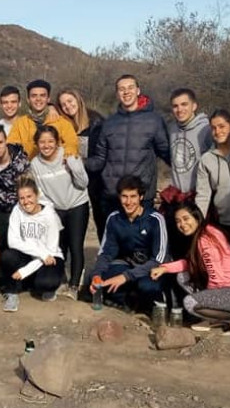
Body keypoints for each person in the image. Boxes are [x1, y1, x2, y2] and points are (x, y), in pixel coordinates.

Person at [150, 204, 230, 335]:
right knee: (182, 276)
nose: (182, 224)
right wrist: (165, 268)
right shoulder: (206, 231)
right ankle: (219, 317)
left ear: (196, 217)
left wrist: (208, 300)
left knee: (190, 303)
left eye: (186, 219)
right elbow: (191, 263)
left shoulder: (205, 240)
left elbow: (217, 277)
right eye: (178, 221)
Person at [86, 74, 170, 217]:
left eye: (130, 87)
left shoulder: (154, 121)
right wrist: (77, 162)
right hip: (113, 196)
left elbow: (167, 153)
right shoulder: (109, 123)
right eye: (122, 89)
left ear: (138, 90)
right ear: (117, 94)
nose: (126, 92)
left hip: (141, 196)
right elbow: (99, 159)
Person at [86, 176, 168, 314]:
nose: (128, 202)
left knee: (147, 287)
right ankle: (126, 301)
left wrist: (125, 277)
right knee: (95, 280)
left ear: (141, 197)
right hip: (126, 265)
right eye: (124, 196)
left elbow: (158, 259)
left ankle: (145, 304)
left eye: (133, 196)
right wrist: (97, 274)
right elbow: (106, 252)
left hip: (148, 269)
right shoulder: (114, 218)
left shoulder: (155, 219)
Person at [29, 125, 89, 298]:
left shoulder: (67, 155)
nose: (46, 145)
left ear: (57, 142)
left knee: (75, 245)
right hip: (56, 209)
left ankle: (75, 285)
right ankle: (61, 280)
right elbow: (40, 193)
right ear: (37, 144)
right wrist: (52, 214)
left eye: (50, 141)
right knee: (59, 246)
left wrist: (73, 165)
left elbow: (83, 182)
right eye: (42, 142)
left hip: (77, 204)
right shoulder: (35, 164)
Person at [0, 177, 64, 312]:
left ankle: (36, 281)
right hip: (30, 255)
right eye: (21, 198)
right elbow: (13, 241)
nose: (26, 201)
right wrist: (39, 253)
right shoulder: (17, 211)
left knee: (45, 284)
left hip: (49, 257)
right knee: (7, 256)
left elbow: (50, 252)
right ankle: (12, 291)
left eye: (29, 196)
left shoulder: (49, 215)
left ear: (37, 195)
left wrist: (24, 271)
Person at [0, 124, 31, 297]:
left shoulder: (21, 161)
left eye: (0, 142)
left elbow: (27, 191)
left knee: (15, 247)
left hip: (19, 210)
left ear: (6, 141)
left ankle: (21, 278)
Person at [57, 88, 106, 241]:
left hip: (97, 180)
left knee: (102, 220)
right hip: (73, 180)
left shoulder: (97, 122)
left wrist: (78, 163)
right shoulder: (63, 125)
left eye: (70, 101)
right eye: (63, 104)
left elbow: (101, 158)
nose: (68, 106)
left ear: (78, 100)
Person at [194, 110, 230, 252]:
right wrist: (198, 225)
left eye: (222, 126)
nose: (217, 131)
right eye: (213, 128)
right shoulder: (206, 160)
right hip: (225, 225)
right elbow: (203, 195)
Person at [8, 79, 78, 159]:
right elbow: (11, 147)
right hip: (29, 169)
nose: (38, 99)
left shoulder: (62, 122)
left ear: (48, 99)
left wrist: (62, 159)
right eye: (34, 96)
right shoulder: (20, 124)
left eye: (42, 95)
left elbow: (72, 144)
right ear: (28, 100)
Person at [167, 88, 212, 194]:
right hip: (177, 195)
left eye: (184, 104)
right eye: (175, 106)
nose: (179, 109)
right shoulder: (171, 129)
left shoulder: (206, 129)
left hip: (199, 195)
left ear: (194, 106)